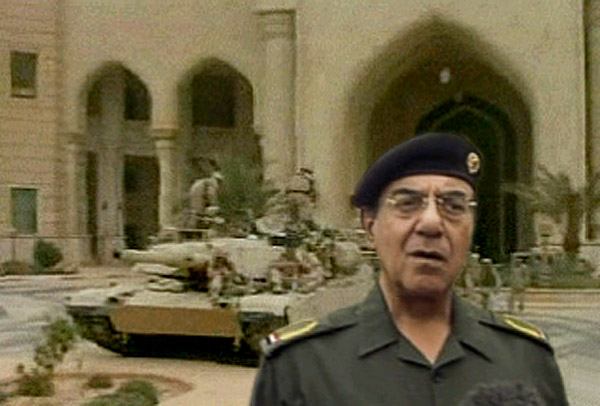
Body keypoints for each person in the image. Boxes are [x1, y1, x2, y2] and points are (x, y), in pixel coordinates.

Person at [250, 132, 568, 406]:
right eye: (407, 203)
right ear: (370, 224)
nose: (431, 223)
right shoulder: (299, 365)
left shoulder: (526, 359)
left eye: (454, 206)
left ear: (471, 227)